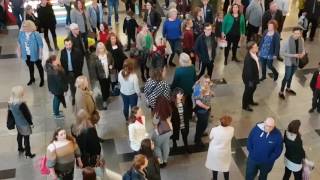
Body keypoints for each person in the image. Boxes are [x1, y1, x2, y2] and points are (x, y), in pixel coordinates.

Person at [7, 86, 35, 158]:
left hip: (17, 123)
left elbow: (10, 114)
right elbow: (27, 115)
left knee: (19, 135)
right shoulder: (21, 104)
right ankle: (28, 153)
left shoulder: (10, 103)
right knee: (26, 138)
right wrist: (31, 123)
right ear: (20, 94)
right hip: (24, 124)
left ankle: (20, 148)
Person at [279, 27, 305, 100]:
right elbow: (281, 53)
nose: (297, 35)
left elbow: (303, 49)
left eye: (298, 33)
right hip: (289, 62)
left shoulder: (301, 40)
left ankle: (288, 88)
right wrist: (294, 55)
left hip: (296, 61)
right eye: (295, 33)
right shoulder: (286, 41)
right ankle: (281, 92)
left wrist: (303, 53)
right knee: (287, 77)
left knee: (291, 76)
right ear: (292, 33)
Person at [205, 115, 234, 180]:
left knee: (215, 166)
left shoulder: (214, 130)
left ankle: (215, 178)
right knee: (225, 167)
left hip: (215, 152)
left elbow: (210, 137)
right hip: (225, 152)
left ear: (220, 121)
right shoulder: (232, 129)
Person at [171, 53, 196, 125]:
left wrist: (172, 89)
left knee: (182, 103)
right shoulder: (192, 67)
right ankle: (190, 114)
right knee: (189, 100)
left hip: (181, 91)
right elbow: (194, 79)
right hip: (190, 89)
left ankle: (183, 116)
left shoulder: (178, 70)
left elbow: (175, 82)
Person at [17, 20, 44, 87]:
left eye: (26, 27)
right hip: (26, 55)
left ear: (30, 26)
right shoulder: (22, 34)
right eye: (23, 27)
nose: (24, 28)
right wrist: (19, 52)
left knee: (39, 67)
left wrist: (40, 54)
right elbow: (19, 43)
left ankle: (42, 80)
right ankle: (32, 79)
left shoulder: (36, 34)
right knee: (30, 67)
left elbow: (40, 45)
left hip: (36, 54)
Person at [60, 37, 84, 105]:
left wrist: (79, 71)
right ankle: (74, 98)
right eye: (66, 45)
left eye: (69, 44)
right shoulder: (62, 52)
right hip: (68, 73)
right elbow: (62, 62)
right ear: (64, 45)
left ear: (72, 44)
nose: (68, 46)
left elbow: (81, 62)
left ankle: (80, 98)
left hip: (77, 72)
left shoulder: (77, 51)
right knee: (72, 87)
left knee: (79, 86)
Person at [92, 42, 114, 109]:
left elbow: (112, 61)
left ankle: (107, 96)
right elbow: (93, 67)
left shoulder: (108, 54)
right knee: (103, 88)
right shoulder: (95, 56)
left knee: (107, 86)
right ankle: (104, 100)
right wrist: (95, 77)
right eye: (99, 48)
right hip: (101, 76)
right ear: (97, 49)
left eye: (102, 48)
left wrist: (111, 66)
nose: (101, 49)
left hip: (108, 73)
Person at [193, 75, 213, 147]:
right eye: (206, 82)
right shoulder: (198, 89)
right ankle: (197, 139)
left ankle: (200, 133)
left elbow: (208, 91)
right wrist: (206, 107)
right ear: (202, 81)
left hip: (206, 108)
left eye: (208, 81)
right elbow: (198, 102)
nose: (208, 83)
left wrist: (211, 92)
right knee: (202, 124)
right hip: (201, 110)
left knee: (203, 123)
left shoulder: (206, 85)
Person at [152, 96, 173, 168]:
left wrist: (156, 132)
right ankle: (165, 160)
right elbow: (169, 120)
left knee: (156, 146)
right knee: (166, 145)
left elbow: (155, 123)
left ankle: (160, 161)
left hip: (160, 132)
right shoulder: (169, 109)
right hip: (169, 130)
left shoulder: (158, 112)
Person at [170, 88, 190, 153]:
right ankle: (174, 144)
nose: (182, 95)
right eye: (180, 94)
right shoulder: (172, 103)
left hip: (183, 123)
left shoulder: (184, 101)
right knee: (175, 134)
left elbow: (187, 111)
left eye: (182, 94)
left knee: (185, 135)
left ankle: (186, 147)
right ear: (175, 94)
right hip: (175, 123)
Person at [242, 42, 260, 112]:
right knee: (248, 91)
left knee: (253, 89)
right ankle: (245, 105)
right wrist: (251, 82)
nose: (257, 47)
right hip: (250, 79)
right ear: (251, 49)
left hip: (254, 77)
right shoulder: (249, 59)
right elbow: (249, 73)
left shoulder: (254, 53)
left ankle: (250, 101)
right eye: (256, 47)